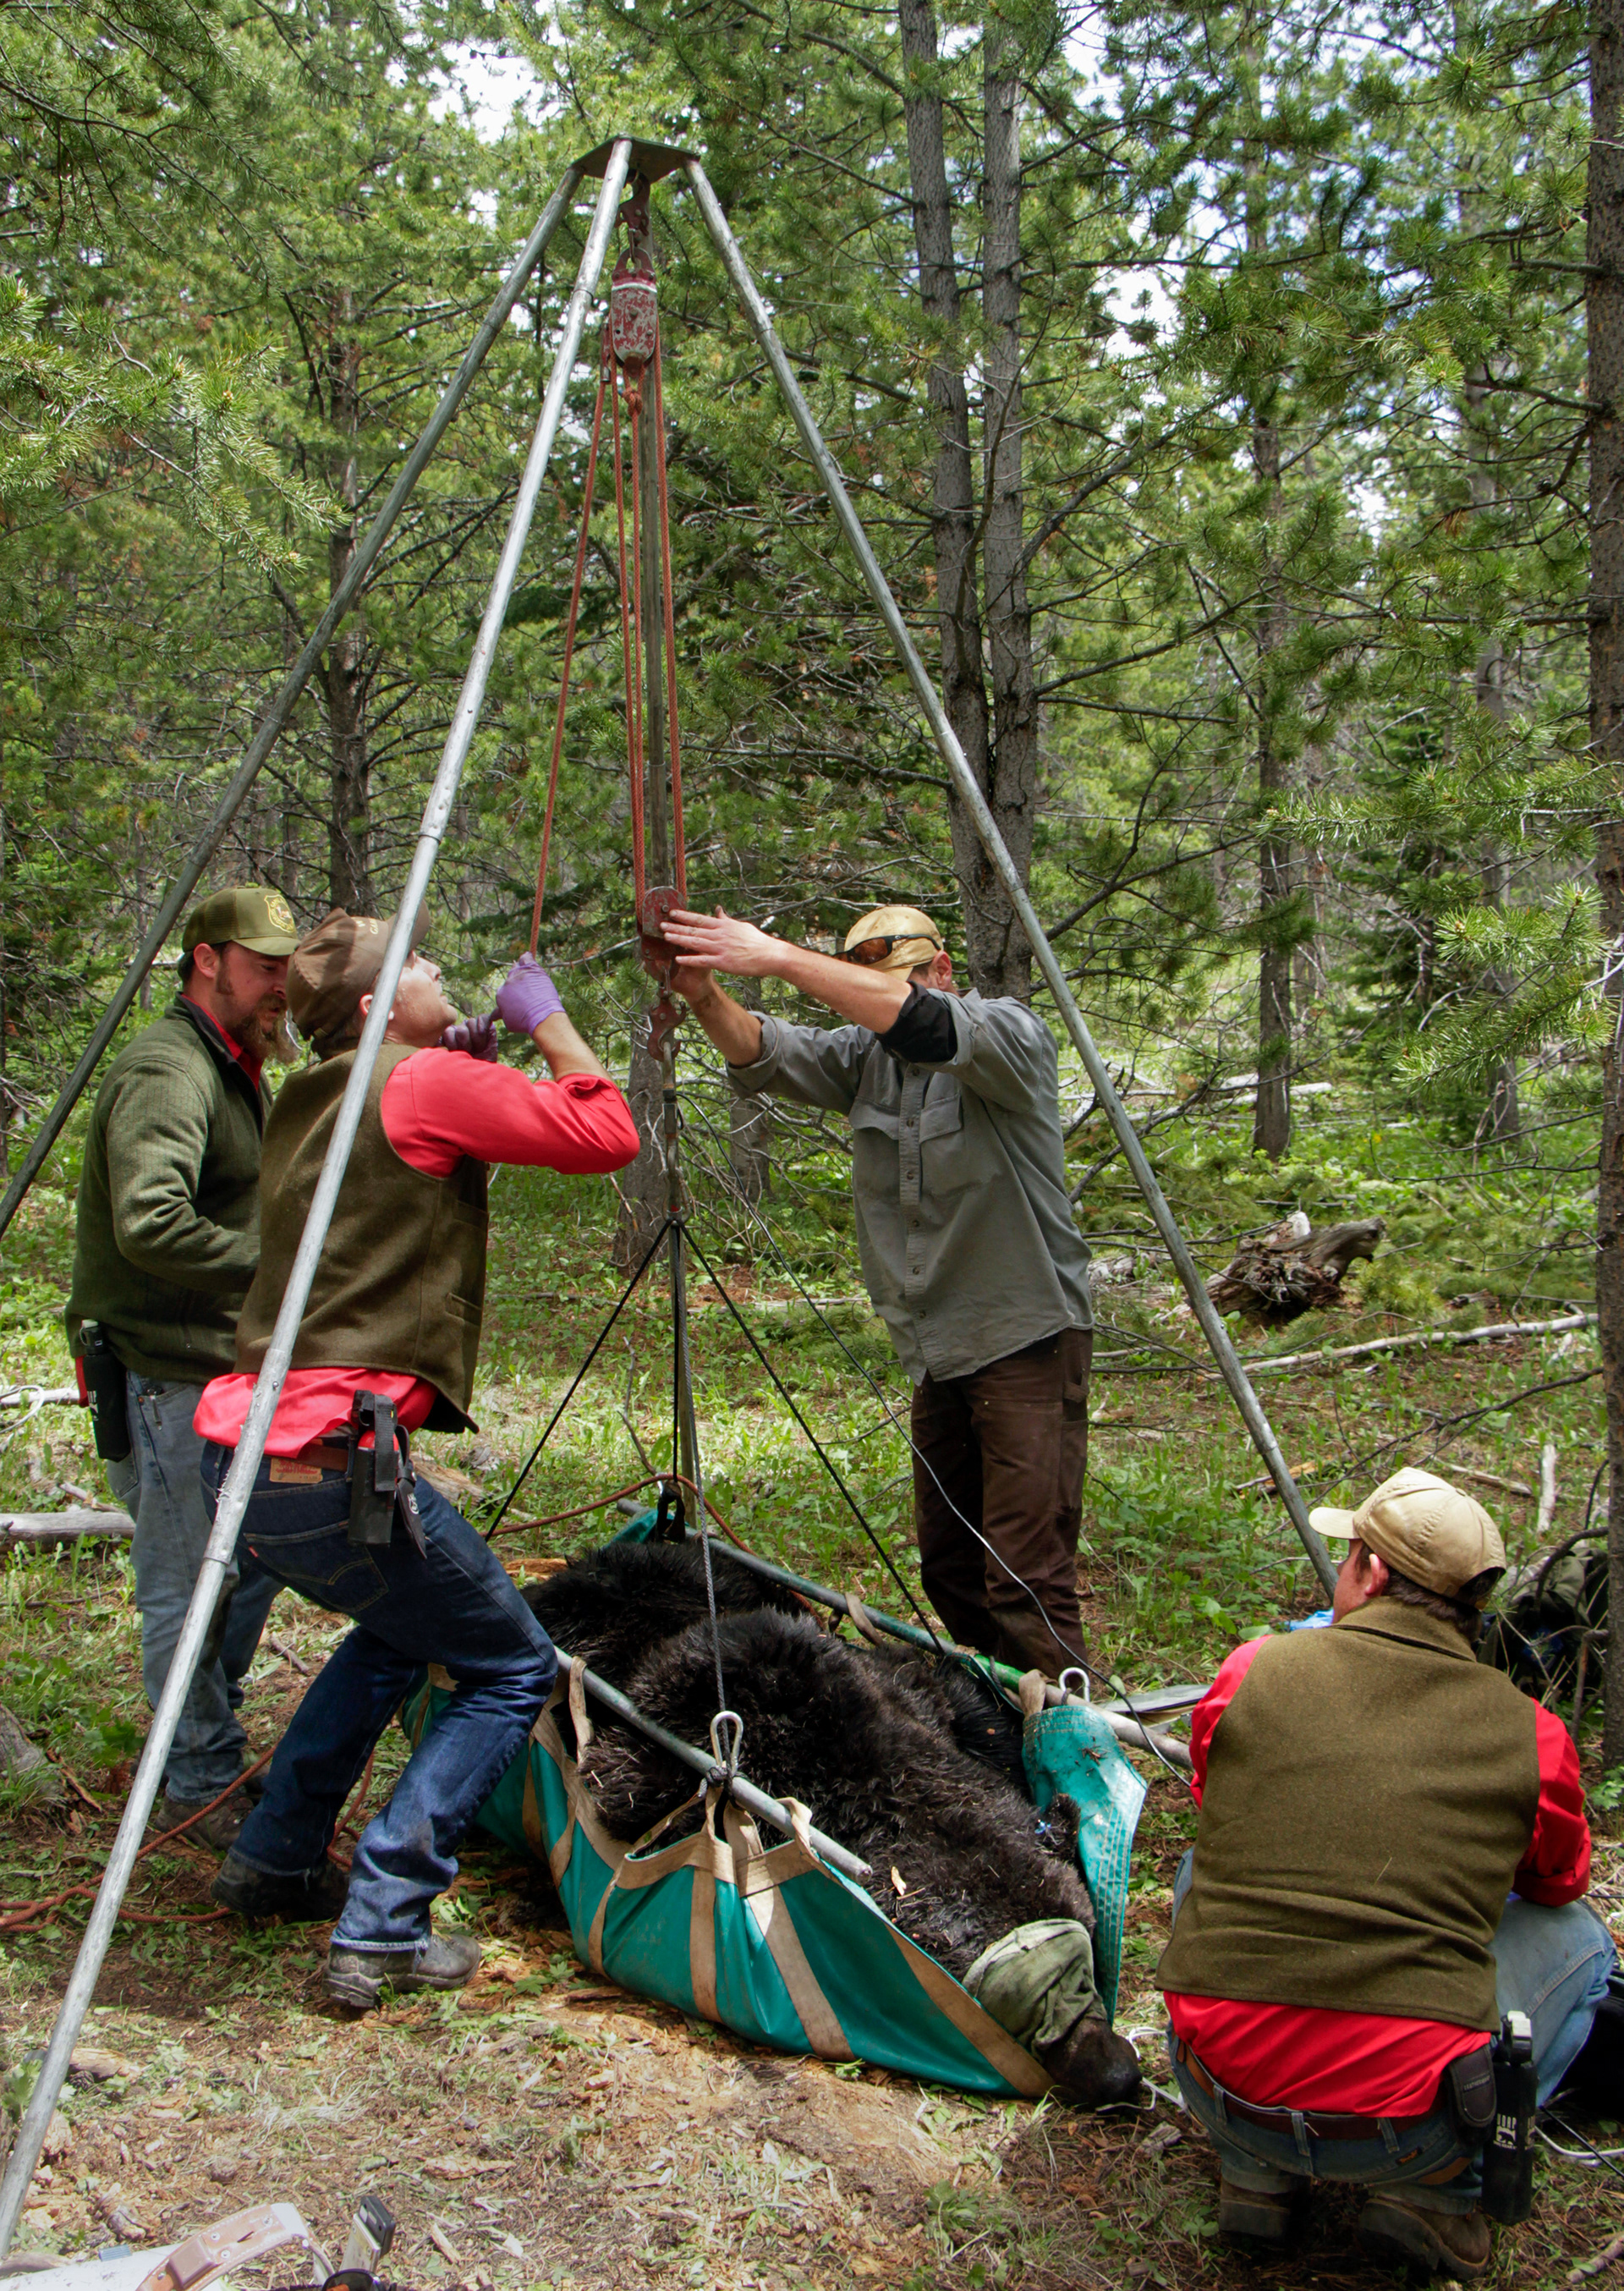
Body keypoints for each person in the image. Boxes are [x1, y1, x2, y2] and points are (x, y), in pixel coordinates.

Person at [196, 920, 639, 2008]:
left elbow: (408, 1151)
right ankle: (387, 1918)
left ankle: (275, 1854)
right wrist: (550, 1026)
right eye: (424, 968)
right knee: (510, 1665)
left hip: (245, 1460)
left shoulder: (321, 1091)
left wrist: (466, 1057)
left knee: (401, 1630)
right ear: (377, 1005)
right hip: (331, 1462)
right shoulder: (419, 1079)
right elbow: (607, 1129)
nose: (444, 974)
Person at [1158, 1467, 1618, 2280]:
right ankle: (1439, 2193)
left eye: (1348, 1556)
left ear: (1367, 1571)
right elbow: (1557, 1884)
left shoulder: (1253, 1669)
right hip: (1409, 2128)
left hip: (1217, 2089)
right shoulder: (1531, 1734)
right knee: (1583, 1942)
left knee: (1205, 1863)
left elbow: (1215, 1797)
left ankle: (1256, 2170)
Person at [661, 900, 1093, 1678]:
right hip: (938, 1350)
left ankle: (1076, 1754)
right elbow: (766, 1051)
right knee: (951, 1569)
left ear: (942, 972)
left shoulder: (1007, 1035)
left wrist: (775, 954)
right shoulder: (871, 1059)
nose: (882, 1008)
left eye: (900, 983)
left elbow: (918, 1022)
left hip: (1025, 1339)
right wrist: (703, 994)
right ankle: (998, 1723)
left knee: (1026, 1579)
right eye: (869, 987)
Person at [67, 886, 299, 1849]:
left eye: (286, 963)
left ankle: (202, 1722)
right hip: (163, 1376)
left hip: (213, 1366)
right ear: (208, 960)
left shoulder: (234, 1060)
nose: (279, 982)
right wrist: (285, 1262)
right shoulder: (171, 1068)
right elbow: (152, 1222)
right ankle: (198, 1783)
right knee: (185, 1584)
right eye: (264, 964)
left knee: (253, 1559)